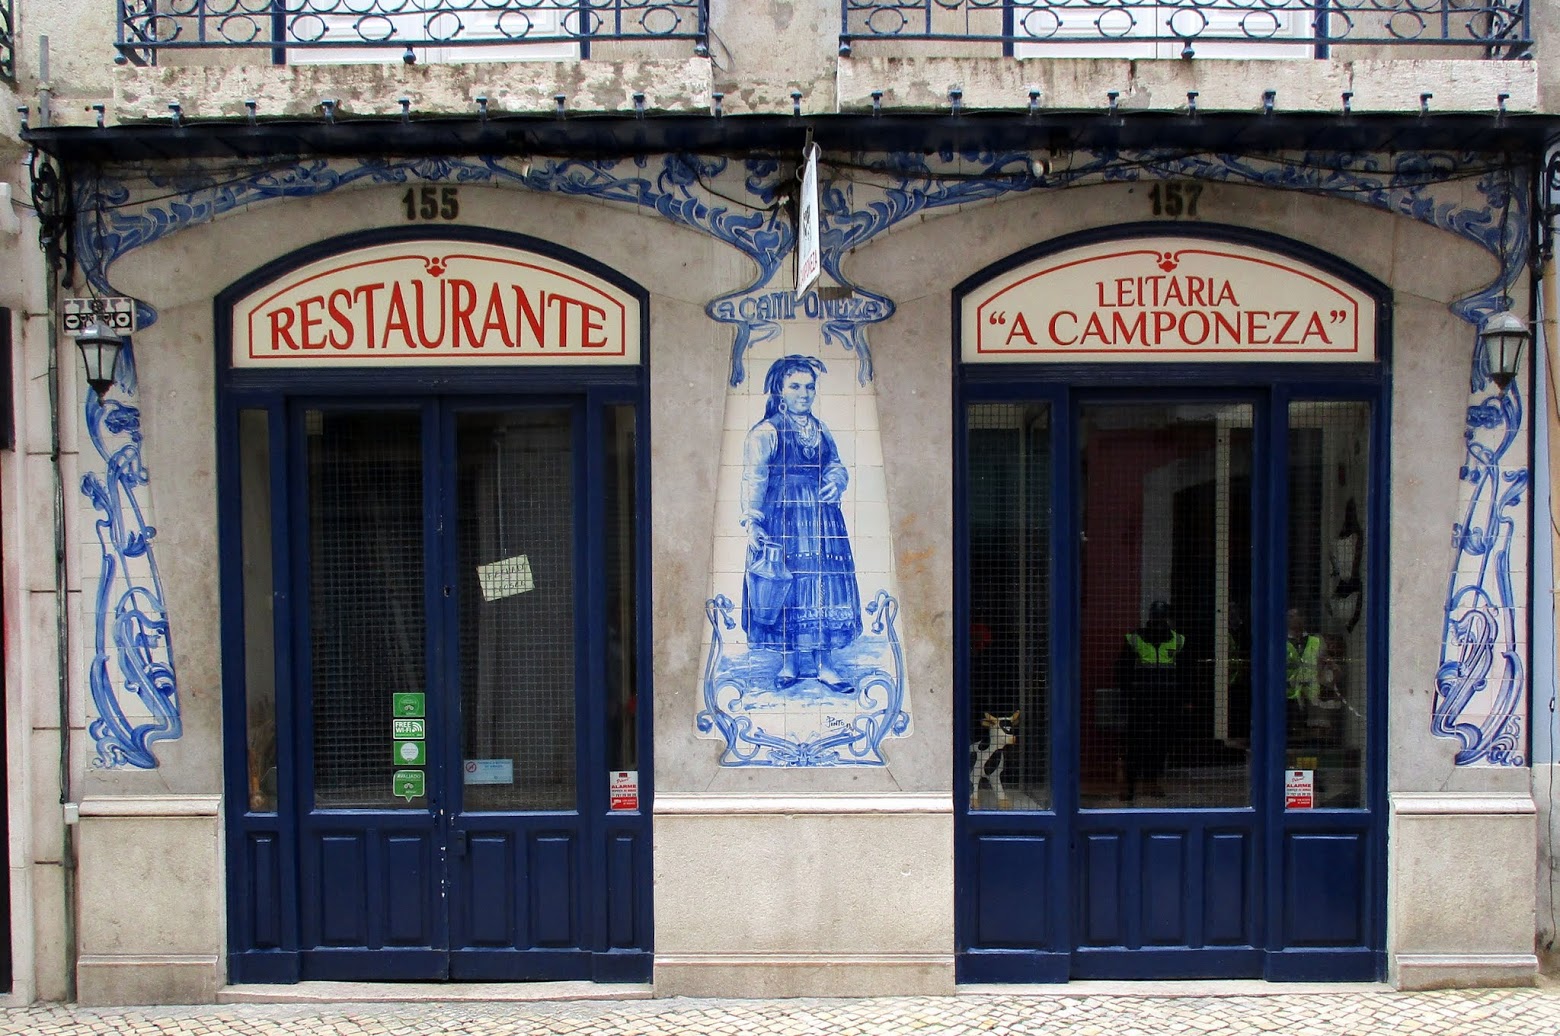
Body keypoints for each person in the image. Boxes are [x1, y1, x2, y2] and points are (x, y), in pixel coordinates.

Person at [740, 354, 862, 692]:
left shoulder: (820, 429)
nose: (804, 394)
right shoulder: (766, 432)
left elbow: (835, 464)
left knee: (823, 587)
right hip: (784, 520)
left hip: (822, 521)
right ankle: (789, 663)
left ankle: (825, 665)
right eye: (795, 386)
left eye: (809, 387)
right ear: (780, 391)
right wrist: (753, 522)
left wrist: (836, 481)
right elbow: (754, 479)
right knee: (788, 588)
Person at [1117, 599, 1183, 800]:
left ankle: (1151, 782)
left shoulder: (1178, 641)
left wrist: (1184, 698)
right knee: (1136, 742)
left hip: (1166, 703)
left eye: (1162, 618)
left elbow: (1186, 672)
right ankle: (1130, 785)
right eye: (1156, 617)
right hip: (1140, 702)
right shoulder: (1135, 639)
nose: (1159, 621)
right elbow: (1122, 670)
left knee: (1160, 743)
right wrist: (1129, 694)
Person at [1285, 607, 1335, 742]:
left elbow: (1325, 665)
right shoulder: (1280, 643)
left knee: (1312, 735)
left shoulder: (1316, 641)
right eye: (1290, 617)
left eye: (1297, 616)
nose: (1294, 619)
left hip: (1313, 696)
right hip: (1289, 695)